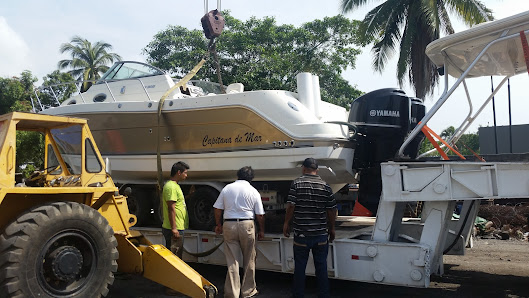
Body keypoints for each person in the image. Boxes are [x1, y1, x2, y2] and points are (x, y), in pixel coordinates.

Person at [283, 158, 337, 298]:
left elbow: (291, 205)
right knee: (321, 268)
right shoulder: (325, 186)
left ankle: (298, 295)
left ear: (303, 168)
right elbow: (331, 210)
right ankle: (324, 295)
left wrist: (286, 223)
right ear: (317, 170)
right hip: (320, 235)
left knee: (300, 268)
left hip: (302, 235)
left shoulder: (297, 184)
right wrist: (332, 228)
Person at [214, 166, 265, 298]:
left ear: (238, 175)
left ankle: (232, 293)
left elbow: (217, 208)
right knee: (249, 259)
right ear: (251, 178)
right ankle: (248, 291)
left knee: (232, 260)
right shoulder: (253, 191)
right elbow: (260, 215)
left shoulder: (227, 189)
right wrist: (262, 230)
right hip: (247, 224)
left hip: (229, 224)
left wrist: (218, 224)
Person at [162, 161, 190, 259]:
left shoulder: (175, 186)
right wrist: (174, 228)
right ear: (179, 172)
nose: (186, 175)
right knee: (175, 257)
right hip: (174, 228)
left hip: (178, 226)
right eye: (185, 173)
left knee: (177, 255)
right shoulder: (171, 187)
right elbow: (171, 208)